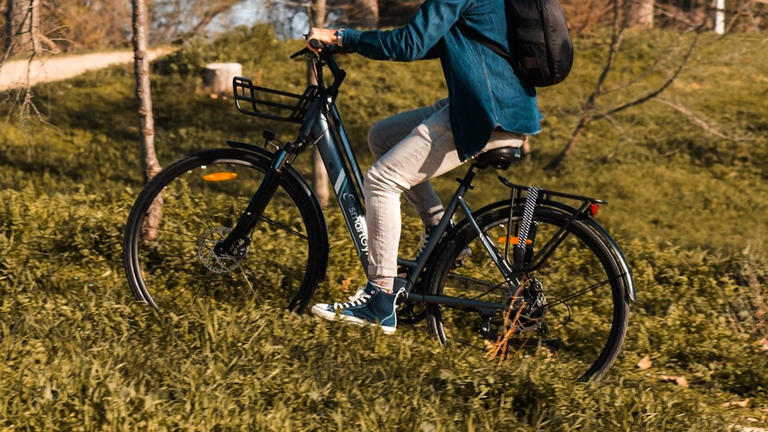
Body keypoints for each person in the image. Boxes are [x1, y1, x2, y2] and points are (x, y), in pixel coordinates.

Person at [307, 0, 543, 334]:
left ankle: (380, 298)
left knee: (381, 181)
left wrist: (342, 36)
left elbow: (410, 43)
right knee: (382, 136)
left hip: (486, 113)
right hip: (497, 104)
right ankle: (439, 229)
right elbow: (434, 41)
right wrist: (354, 44)